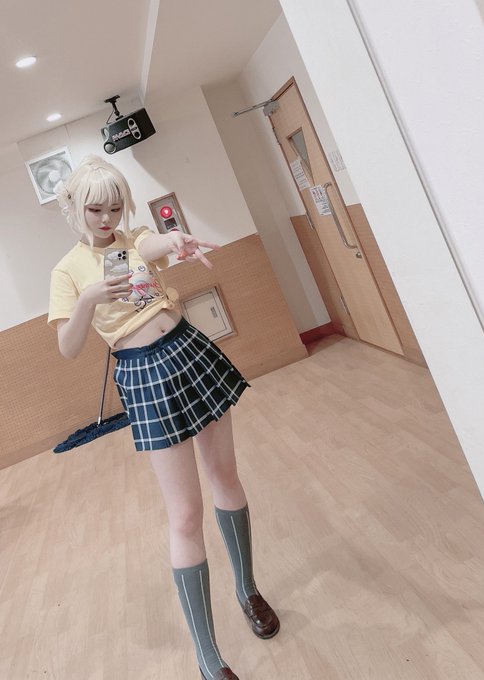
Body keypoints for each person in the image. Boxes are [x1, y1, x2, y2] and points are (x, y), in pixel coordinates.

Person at [48, 155, 279, 680]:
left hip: (188, 350)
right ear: (74, 207)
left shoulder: (133, 240)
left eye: (114, 208)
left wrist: (175, 241)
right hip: (142, 373)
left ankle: (247, 590)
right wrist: (88, 300)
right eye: (95, 209)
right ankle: (208, 656)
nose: (106, 219)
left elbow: (151, 244)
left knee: (226, 477)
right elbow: (67, 346)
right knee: (184, 515)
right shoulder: (67, 271)